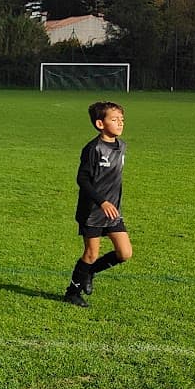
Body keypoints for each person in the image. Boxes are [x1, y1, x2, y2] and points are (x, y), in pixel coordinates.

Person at [63, 100, 133, 308]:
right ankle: (72, 293)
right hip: (92, 211)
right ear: (100, 124)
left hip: (112, 211)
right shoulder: (93, 148)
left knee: (125, 253)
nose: (120, 123)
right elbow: (82, 180)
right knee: (91, 253)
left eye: (122, 119)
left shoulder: (122, 146)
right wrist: (101, 201)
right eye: (114, 119)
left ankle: (90, 271)